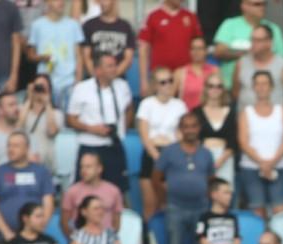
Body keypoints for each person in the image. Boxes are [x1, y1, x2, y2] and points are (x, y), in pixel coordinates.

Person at [155, 112, 215, 244]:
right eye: (186, 126)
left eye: (193, 126)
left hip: (201, 209)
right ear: (180, 129)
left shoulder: (206, 153)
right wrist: (163, 200)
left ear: (199, 128)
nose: (190, 130)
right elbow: (156, 177)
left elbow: (211, 180)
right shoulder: (169, 151)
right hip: (175, 208)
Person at [66, 50, 131, 194]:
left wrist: (122, 129)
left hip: (114, 145)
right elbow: (71, 119)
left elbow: (129, 108)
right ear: (98, 70)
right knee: (84, 191)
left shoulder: (123, 86)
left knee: (118, 190)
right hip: (90, 146)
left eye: (115, 65)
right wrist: (92, 129)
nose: (114, 69)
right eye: (109, 66)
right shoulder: (82, 88)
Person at [0, 131, 56, 241]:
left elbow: (48, 204)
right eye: (9, 145)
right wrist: (6, 233)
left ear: (27, 148)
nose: (10, 149)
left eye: (16, 146)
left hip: (34, 237)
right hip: (3, 237)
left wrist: (40, 228)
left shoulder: (42, 172)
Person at [237, 70, 283, 219]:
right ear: (253, 87)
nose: (261, 87)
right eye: (258, 84)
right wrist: (262, 163)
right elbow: (243, 141)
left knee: (281, 211)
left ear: (271, 87)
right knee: (257, 213)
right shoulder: (246, 112)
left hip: (277, 167)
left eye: (265, 83)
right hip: (251, 168)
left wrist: (271, 163)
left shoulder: (281, 111)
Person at [136, 65, 188, 218]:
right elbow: (144, 135)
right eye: (163, 82)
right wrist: (158, 158)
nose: (168, 85)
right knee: (150, 205)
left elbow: (182, 134)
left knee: (168, 204)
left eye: (171, 81)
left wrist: (169, 156)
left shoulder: (180, 105)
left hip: (173, 154)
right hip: (152, 154)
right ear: (155, 85)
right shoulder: (147, 104)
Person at [211, 0, 283, 89]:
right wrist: (247, 53)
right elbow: (219, 52)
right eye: (257, 4)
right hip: (231, 86)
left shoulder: (274, 29)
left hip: (266, 90)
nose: (262, 7)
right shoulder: (230, 25)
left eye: (264, 4)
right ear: (244, 6)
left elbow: (282, 58)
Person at [26, 0, 82, 107]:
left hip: (69, 82)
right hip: (45, 82)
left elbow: (79, 55)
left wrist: (78, 81)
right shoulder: (37, 25)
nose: (61, 2)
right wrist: (42, 57)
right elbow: (30, 55)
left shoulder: (73, 25)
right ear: (47, 2)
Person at [231, 23, 283, 109]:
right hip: (245, 115)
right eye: (252, 39)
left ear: (269, 42)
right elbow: (235, 91)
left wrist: (281, 114)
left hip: (275, 116)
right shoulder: (241, 63)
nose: (253, 44)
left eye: (258, 40)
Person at [138, 0, 201, 86]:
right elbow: (143, 50)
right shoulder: (153, 16)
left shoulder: (190, 16)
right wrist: (143, 81)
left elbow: (199, 46)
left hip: (185, 78)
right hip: (160, 79)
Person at [60, 149, 122, 236]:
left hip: (106, 240)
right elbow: (64, 223)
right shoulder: (71, 191)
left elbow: (116, 223)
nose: (84, 170)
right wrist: (75, 240)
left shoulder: (114, 191)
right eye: (82, 167)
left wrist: (108, 239)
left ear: (99, 169)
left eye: (88, 167)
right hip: (80, 241)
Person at [196, 67, 236, 186]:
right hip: (201, 156)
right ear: (205, 88)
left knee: (224, 192)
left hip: (225, 158)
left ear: (223, 89)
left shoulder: (231, 112)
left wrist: (221, 160)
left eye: (219, 86)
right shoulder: (196, 112)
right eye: (211, 86)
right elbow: (194, 138)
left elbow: (233, 140)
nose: (215, 89)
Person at [20, 74, 62, 176]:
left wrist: (47, 103)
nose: (39, 89)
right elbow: (17, 128)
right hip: (23, 162)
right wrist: (29, 98)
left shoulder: (56, 113)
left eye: (43, 86)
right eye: (37, 86)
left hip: (46, 164)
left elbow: (52, 131)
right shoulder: (22, 109)